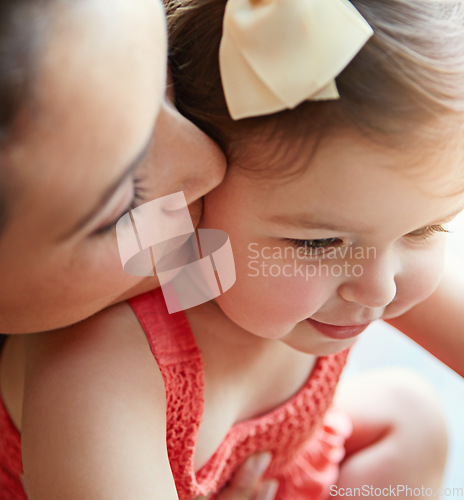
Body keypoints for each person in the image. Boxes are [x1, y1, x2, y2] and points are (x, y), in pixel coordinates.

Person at [3, 0, 462, 498]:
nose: (380, 286)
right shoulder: (100, 373)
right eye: (319, 242)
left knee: (412, 419)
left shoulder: (337, 229)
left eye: (425, 230)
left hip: (277, 474)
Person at [0, 0, 275, 498]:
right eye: (127, 201)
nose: (212, 165)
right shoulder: (83, 387)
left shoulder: (178, 246)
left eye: (169, 73)